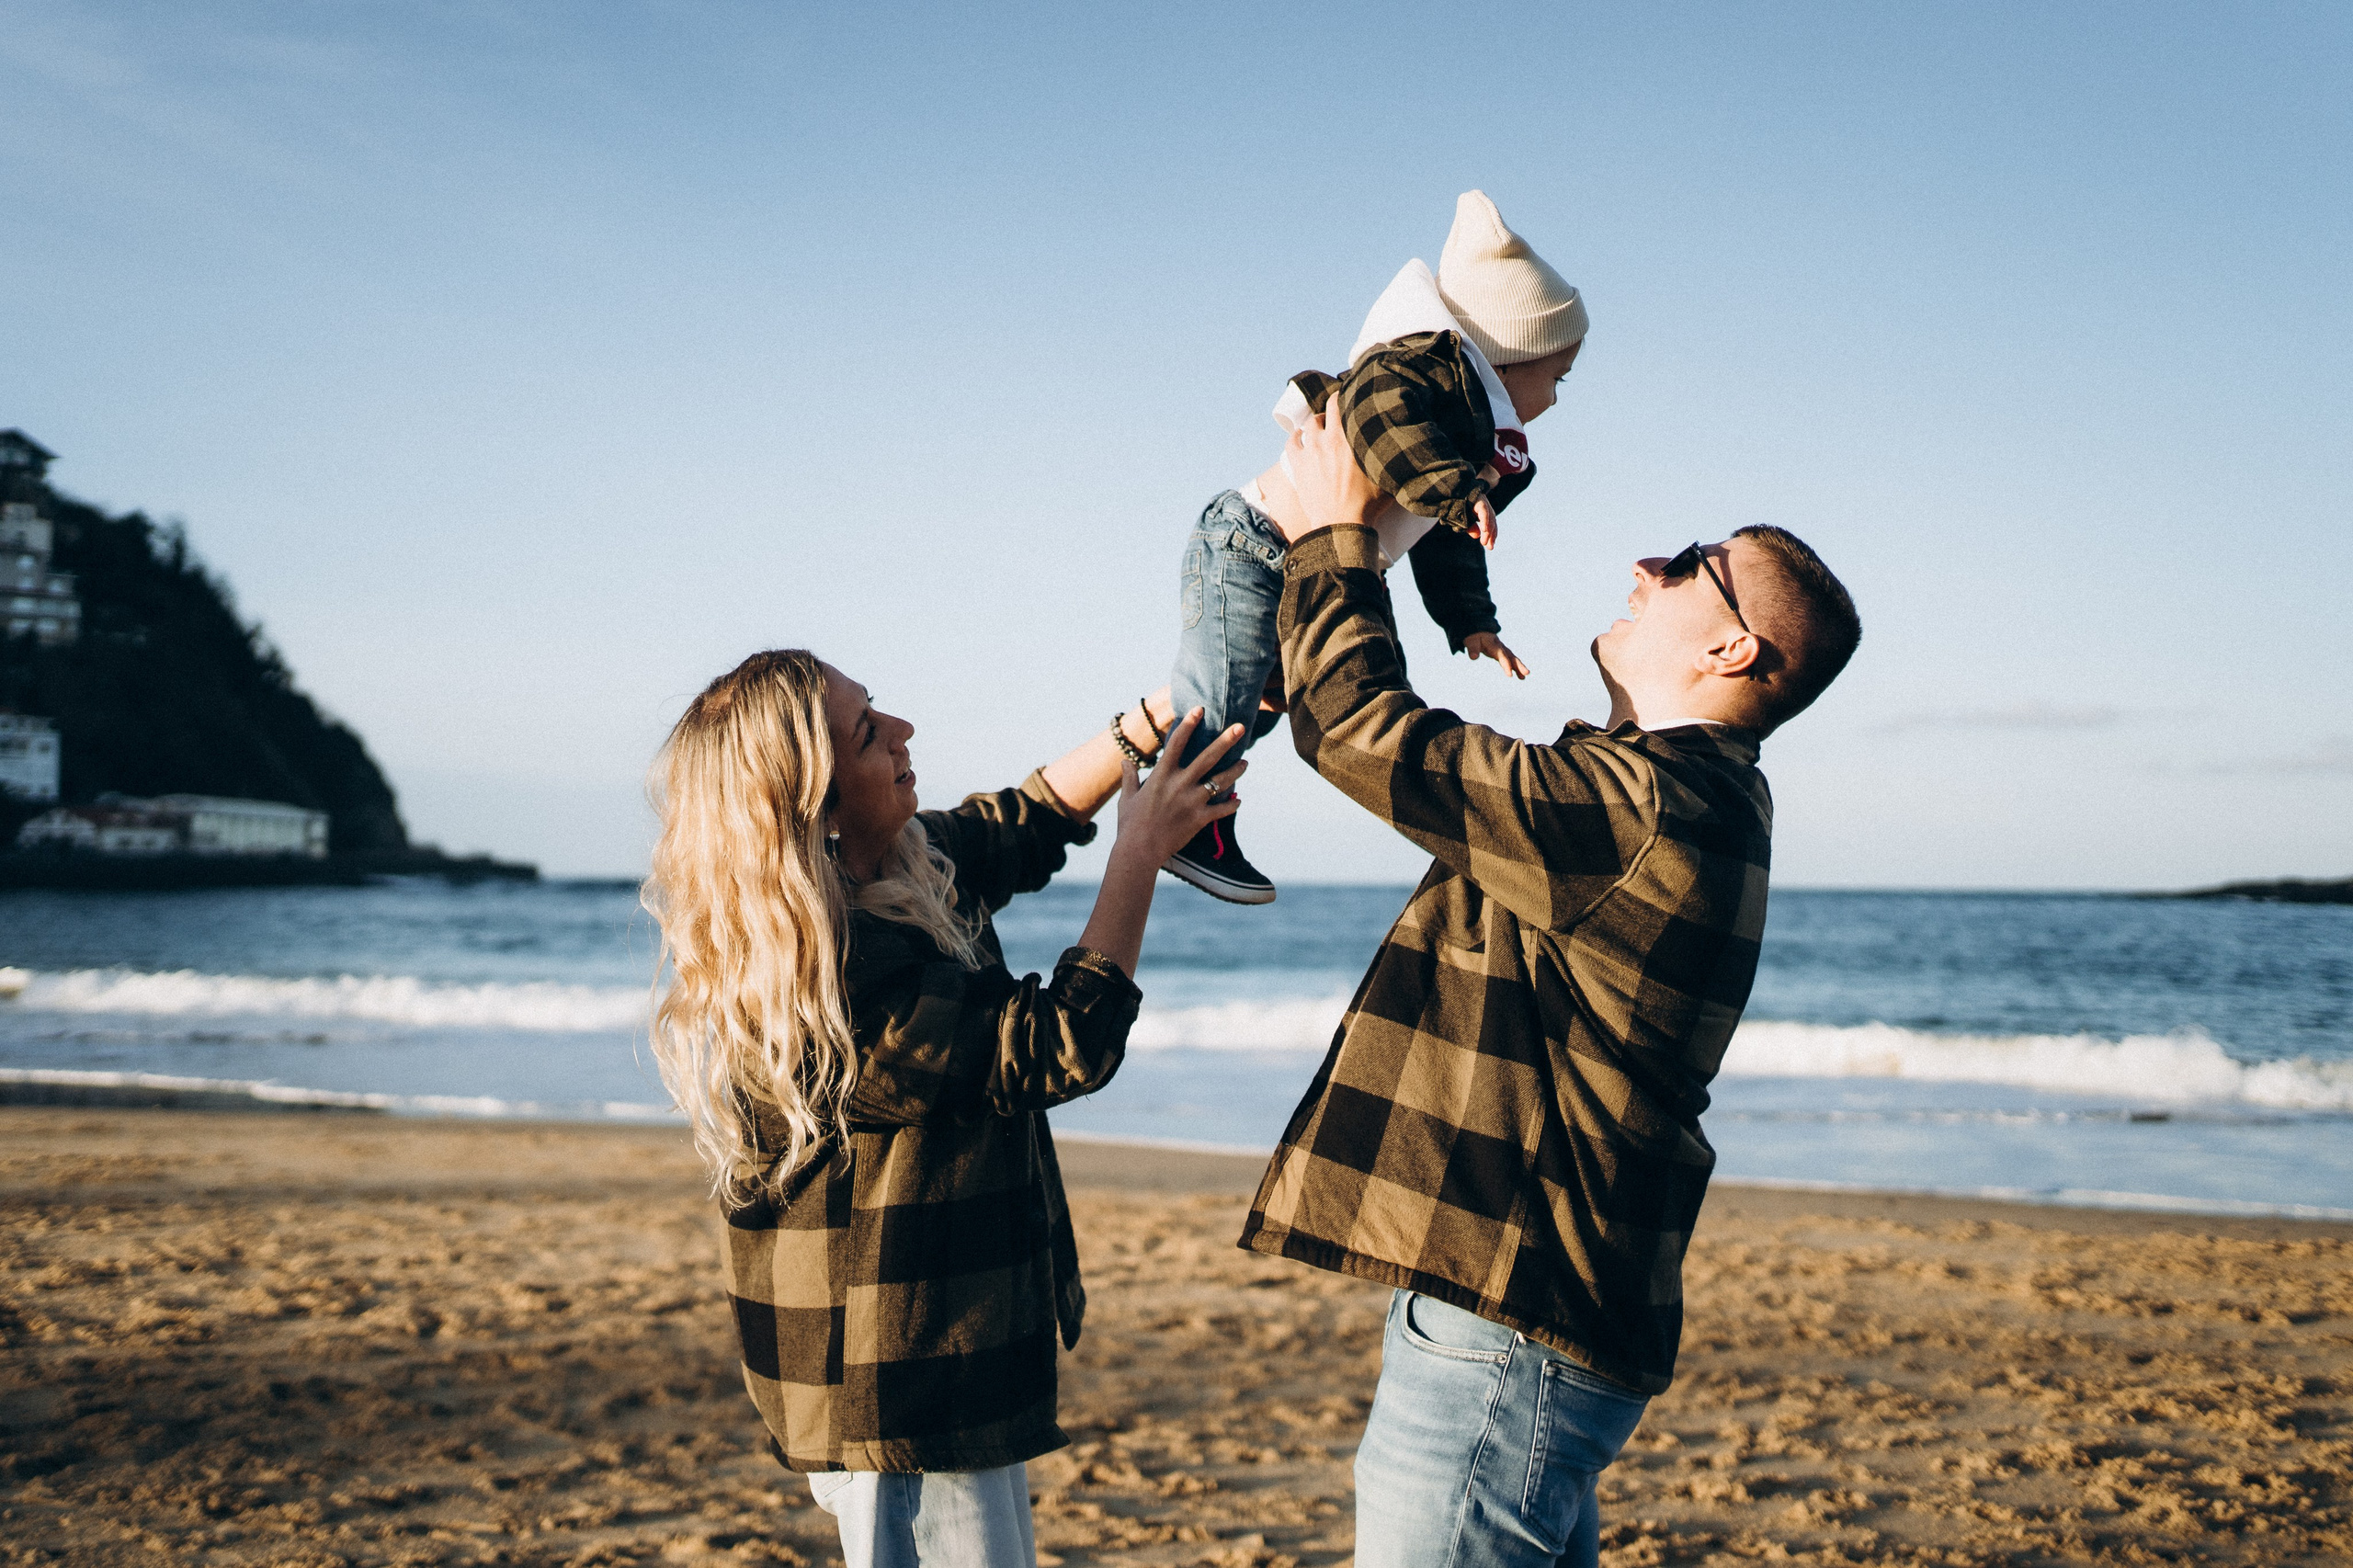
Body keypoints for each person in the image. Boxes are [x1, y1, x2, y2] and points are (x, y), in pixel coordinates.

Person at [1240, 404, 1862, 1567]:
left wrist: (1336, 535)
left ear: (1732, 651)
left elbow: (1360, 731)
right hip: (1535, 1313)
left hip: (1513, 1320)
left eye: (1690, 568)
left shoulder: (1648, 808)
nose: (1646, 566)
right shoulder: (1675, 792)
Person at [641, 652, 1240, 1568]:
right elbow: (1058, 1041)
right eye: (867, 732)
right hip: (893, 1382)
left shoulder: (899, 864)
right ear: (816, 800)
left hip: (939, 1342)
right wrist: (1138, 850)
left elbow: (1024, 823)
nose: (905, 732)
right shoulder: (825, 985)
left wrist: (1171, 709)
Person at [1161, 189, 1588, 905]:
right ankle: (1183, 824)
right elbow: (1372, 414)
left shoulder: (1477, 442)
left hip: (1317, 565)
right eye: (1560, 376)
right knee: (1222, 704)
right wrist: (1457, 488)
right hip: (1249, 543)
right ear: (1512, 359)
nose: (1560, 396)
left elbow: (1446, 541)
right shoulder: (1411, 369)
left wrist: (1470, 619)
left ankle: (1193, 811)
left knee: (1339, 692)